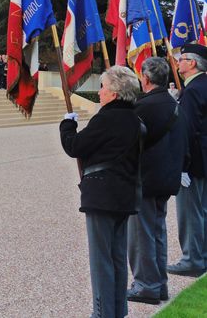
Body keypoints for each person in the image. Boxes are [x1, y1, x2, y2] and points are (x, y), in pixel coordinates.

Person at [60, 65, 143, 318]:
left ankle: (102, 312)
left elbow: (75, 147)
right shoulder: (135, 119)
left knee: (101, 261)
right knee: (117, 257)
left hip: (102, 194)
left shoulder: (107, 117)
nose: (100, 92)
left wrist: (66, 125)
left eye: (103, 87)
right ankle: (117, 310)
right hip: (123, 193)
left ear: (115, 93)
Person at [127, 57, 189, 304]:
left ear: (146, 78)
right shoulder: (174, 103)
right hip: (167, 177)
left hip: (146, 179)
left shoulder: (143, 106)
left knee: (142, 236)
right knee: (157, 232)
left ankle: (146, 285)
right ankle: (159, 283)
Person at [169, 44, 207, 278]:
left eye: (181, 59)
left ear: (192, 63)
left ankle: (192, 259)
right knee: (202, 209)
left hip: (193, 161)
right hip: (204, 157)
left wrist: (182, 165)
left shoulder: (192, 90)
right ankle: (202, 255)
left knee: (190, 212)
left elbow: (187, 129)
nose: (178, 63)